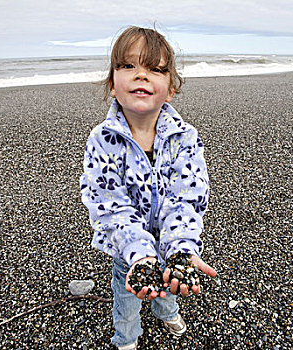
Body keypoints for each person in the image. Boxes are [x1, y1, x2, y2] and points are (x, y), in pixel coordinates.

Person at [80, 26, 217, 350]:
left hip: (172, 240)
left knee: (170, 284)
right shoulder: (103, 140)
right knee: (127, 295)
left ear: (170, 89)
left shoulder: (185, 138)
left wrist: (182, 248)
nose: (141, 75)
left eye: (155, 69)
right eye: (128, 66)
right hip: (128, 246)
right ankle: (126, 338)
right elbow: (109, 204)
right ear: (113, 84)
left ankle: (166, 310)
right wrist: (141, 255)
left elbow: (187, 195)